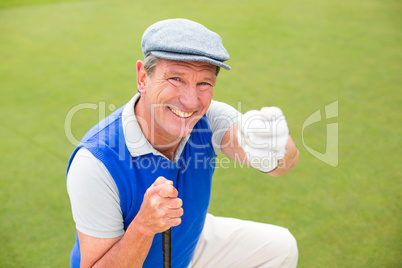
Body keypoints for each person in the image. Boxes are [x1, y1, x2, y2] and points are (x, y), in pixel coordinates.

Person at [67, 18, 299, 268]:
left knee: (280, 247)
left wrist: (275, 149)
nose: (190, 101)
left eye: (204, 84)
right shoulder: (95, 162)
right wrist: (144, 226)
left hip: (189, 243)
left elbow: (280, 166)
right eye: (176, 78)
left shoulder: (210, 117)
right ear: (143, 78)